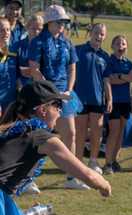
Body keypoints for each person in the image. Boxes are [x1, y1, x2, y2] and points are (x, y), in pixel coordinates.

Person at [0, 80, 111, 215]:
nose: (60, 112)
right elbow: (87, 175)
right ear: (42, 110)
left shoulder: (10, 130)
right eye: (57, 105)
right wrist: (104, 185)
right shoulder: (41, 137)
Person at [28, 5, 82, 189]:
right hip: (44, 94)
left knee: (71, 134)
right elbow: (34, 68)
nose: (63, 25)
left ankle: (71, 178)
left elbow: (72, 68)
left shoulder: (67, 43)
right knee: (38, 136)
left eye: (65, 22)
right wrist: (49, 91)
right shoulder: (37, 42)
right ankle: (28, 179)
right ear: (50, 22)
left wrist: (68, 89)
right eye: (60, 22)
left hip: (64, 94)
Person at [74, 23, 111, 181]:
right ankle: (78, 161)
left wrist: (110, 98)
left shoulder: (105, 56)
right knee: (80, 132)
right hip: (80, 98)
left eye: (102, 34)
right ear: (91, 33)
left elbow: (106, 79)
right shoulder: (78, 50)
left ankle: (93, 161)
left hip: (98, 99)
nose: (99, 36)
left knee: (97, 131)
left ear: (105, 36)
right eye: (96, 32)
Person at [104, 35, 132, 174]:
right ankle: (107, 164)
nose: (121, 46)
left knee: (121, 133)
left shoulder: (128, 63)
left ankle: (114, 160)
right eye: (118, 43)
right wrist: (125, 77)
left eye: (123, 44)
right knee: (114, 132)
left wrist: (120, 76)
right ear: (112, 46)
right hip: (114, 101)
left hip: (125, 101)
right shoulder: (109, 61)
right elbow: (109, 80)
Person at [17, 14, 44, 88]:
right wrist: (20, 71)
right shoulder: (19, 45)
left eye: (40, 29)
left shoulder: (45, 46)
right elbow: (12, 65)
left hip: (40, 85)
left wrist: (33, 70)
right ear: (27, 27)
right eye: (33, 28)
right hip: (22, 84)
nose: (37, 32)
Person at [0, 18, 19, 111]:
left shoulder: (13, 52)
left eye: (8, 29)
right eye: (2, 30)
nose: (6, 33)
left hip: (11, 103)